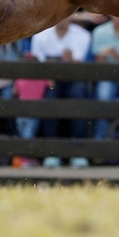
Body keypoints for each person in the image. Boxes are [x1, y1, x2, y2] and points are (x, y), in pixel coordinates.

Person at [30, 15, 91, 168]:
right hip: (49, 81)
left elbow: (79, 65)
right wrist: (47, 78)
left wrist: (70, 60)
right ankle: (51, 153)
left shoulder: (83, 35)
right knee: (49, 99)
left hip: (74, 79)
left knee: (78, 97)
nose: (62, 18)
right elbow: (36, 64)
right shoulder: (40, 34)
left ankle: (78, 153)